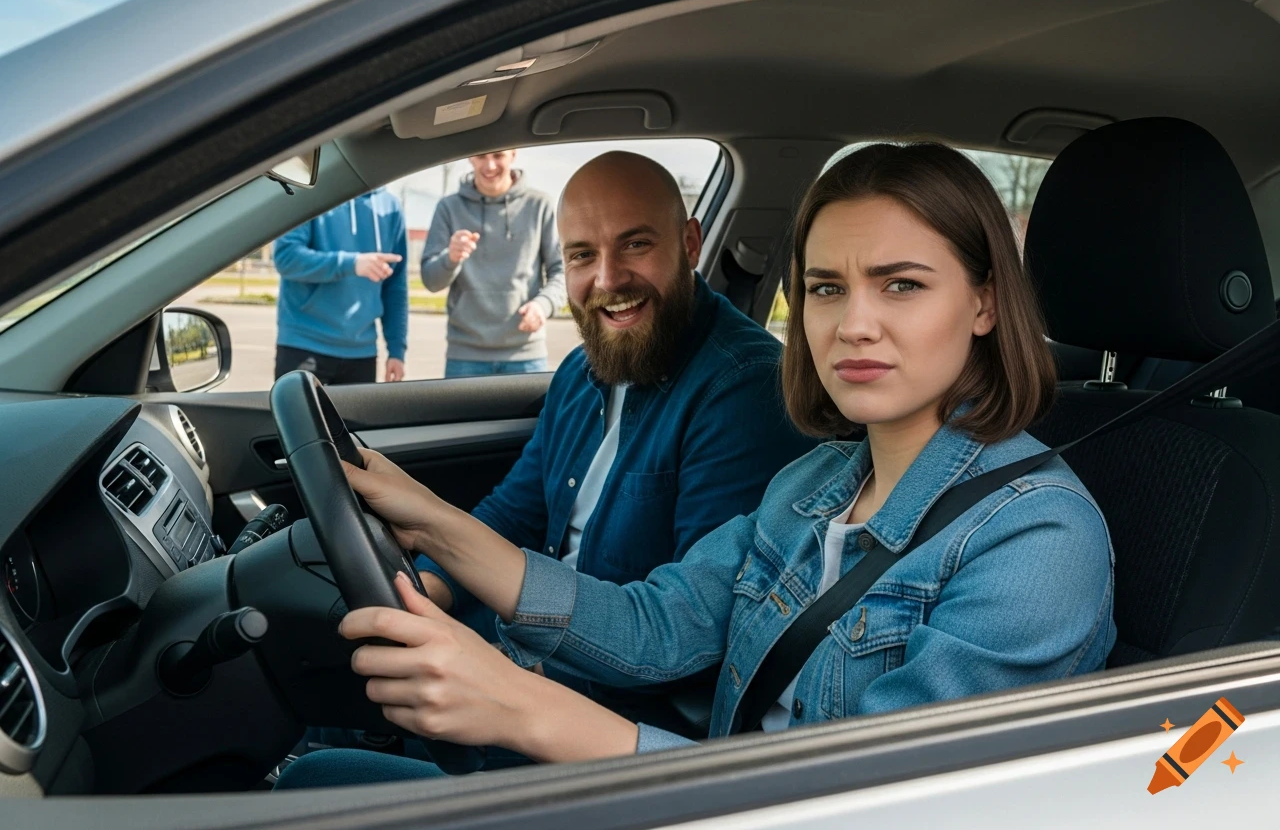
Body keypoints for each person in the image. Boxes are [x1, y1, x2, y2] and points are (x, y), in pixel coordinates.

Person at [276, 142, 1115, 788]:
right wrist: (432, 521)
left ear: (983, 303)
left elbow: (863, 804)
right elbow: (652, 624)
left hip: (715, 800)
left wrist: (523, 707)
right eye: (825, 288)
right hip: (689, 790)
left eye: (900, 285)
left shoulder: (1037, 540)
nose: (853, 324)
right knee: (314, 779)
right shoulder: (813, 487)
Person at [302, 150, 815, 764]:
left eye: (635, 246)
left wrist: (511, 682)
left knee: (318, 767)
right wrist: (431, 588)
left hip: (606, 709)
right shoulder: (583, 367)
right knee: (322, 674)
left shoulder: (742, 388)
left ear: (690, 243)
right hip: (524, 643)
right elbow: (515, 513)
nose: (607, 279)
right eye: (581, 256)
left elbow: (685, 638)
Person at [421, 150, 566, 377]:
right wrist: (451, 258)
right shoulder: (448, 208)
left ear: (513, 155)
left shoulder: (540, 205)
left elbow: (562, 271)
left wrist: (543, 304)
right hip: (465, 357)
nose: (489, 166)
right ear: (470, 157)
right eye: (481, 157)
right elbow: (430, 281)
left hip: (526, 355)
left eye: (498, 156)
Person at [273, 188, 408, 384]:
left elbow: (396, 288)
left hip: (362, 354)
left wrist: (397, 350)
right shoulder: (310, 193)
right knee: (296, 416)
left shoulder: (391, 207)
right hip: (304, 344)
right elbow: (286, 257)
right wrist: (351, 264)